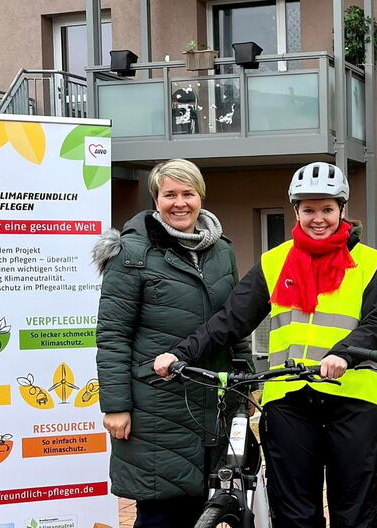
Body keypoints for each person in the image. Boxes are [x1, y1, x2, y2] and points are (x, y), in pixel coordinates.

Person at [153, 161, 377, 528]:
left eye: (327, 209)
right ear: (296, 210)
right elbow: (231, 319)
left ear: (342, 210)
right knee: (294, 514)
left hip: (355, 401)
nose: (318, 218)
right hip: (289, 401)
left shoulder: (368, 263)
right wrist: (181, 354)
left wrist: (343, 354)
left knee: (356, 513)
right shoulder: (275, 262)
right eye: (309, 209)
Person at [93, 159, 251, 528]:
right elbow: (113, 335)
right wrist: (116, 406)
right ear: (156, 199)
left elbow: (235, 322)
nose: (179, 203)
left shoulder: (221, 251)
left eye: (188, 193)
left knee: (207, 506)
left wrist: (245, 385)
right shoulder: (132, 253)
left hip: (212, 401)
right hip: (156, 405)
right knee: (161, 512)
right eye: (169, 194)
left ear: (201, 197)